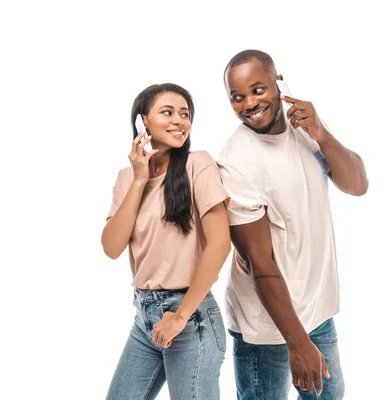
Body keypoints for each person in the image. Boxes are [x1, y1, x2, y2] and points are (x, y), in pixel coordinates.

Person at [218, 50, 369, 399]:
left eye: (258, 89)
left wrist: (322, 135)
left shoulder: (306, 125)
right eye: (237, 97)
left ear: (278, 82)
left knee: (330, 395)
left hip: (316, 309)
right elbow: (260, 263)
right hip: (268, 327)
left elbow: (358, 185)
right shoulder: (236, 164)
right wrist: (298, 344)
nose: (249, 104)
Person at [102, 83, 231, 399]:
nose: (180, 121)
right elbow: (112, 247)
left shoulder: (196, 164)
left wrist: (180, 316)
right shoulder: (126, 178)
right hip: (146, 317)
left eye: (185, 114)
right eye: (168, 112)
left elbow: (219, 244)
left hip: (190, 317)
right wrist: (140, 178)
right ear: (142, 121)